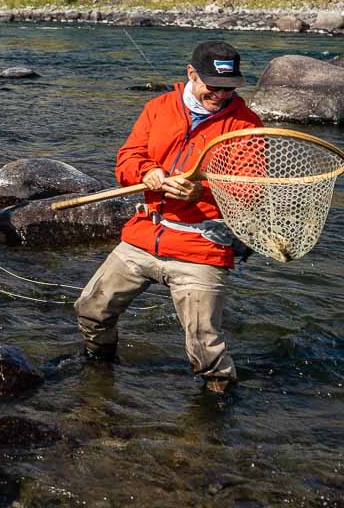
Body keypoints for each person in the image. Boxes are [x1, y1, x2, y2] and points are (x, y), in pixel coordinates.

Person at [74, 40, 263, 393]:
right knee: (91, 310)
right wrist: (146, 172)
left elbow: (250, 190)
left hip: (201, 245)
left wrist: (202, 192)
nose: (221, 95)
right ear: (191, 74)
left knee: (206, 348)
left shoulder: (247, 124)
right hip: (144, 235)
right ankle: (99, 371)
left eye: (229, 88)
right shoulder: (159, 107)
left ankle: (215, 414)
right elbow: (127, 159)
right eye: (213, 86)